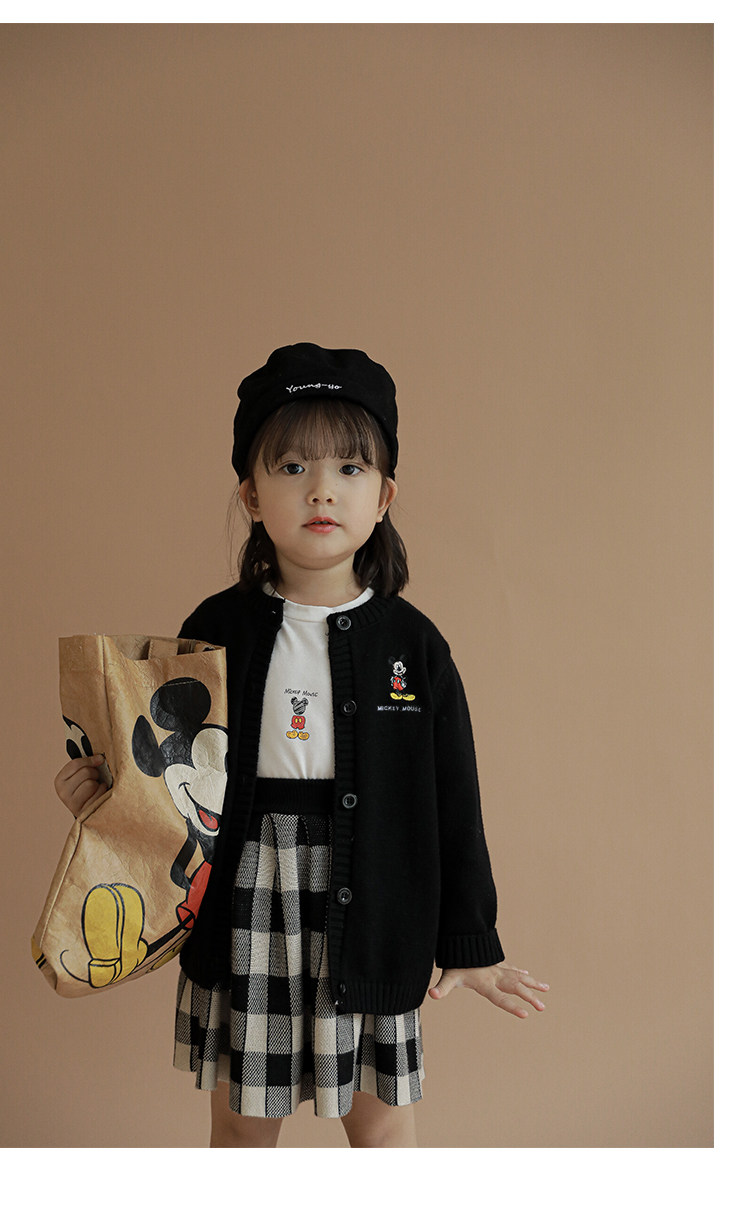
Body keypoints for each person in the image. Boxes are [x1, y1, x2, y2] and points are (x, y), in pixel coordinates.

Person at [54, 343, 549, 1148]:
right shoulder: (213, 629)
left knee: (381, 1128)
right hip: (247, 896)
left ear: (385, 495)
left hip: (376, 903)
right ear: (251, 494)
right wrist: (103, 800)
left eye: (350, 468)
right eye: (292, 467)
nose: (322, 489)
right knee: (244, 1129)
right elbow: (170, 773)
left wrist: (471, 942)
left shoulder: (415, 647)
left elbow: (454, 799)